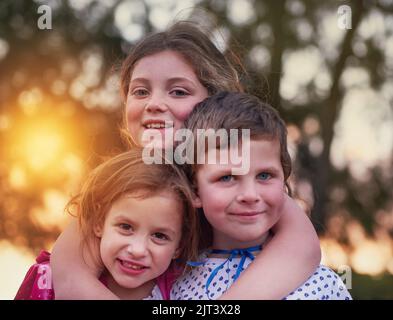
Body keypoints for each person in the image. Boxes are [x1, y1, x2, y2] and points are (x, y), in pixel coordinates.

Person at [51, 21, 321, 300]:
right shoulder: (124, 183)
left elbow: (302, 248)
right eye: (140, 91)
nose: (153, 104)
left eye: (178, 92)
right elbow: (70, 279)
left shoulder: (242, 177)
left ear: (215, 103)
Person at [171, 91, 351, 300]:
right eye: (227, 178)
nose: (249, 195)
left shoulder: (322, 284)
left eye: (265, 175)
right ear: (194, 191)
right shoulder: (177, 285)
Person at [15, 148, 199, 300]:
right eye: (126, 227)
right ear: (99, 223)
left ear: (179, 247)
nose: (137, 250)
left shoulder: (182, 289)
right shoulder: (48, 280)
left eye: (159, 236)